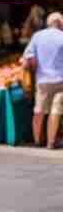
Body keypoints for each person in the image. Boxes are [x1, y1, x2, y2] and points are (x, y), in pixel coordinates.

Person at [23, 11, 63, 149]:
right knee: (56, 109)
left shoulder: (37, 36)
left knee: (39, 110)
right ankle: (51, 142)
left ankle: (37, 140)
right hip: (61, 80)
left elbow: (29, 56)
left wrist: (36, 68)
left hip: (42, 79)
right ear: (60, 23)